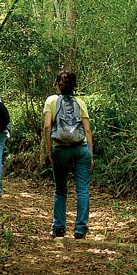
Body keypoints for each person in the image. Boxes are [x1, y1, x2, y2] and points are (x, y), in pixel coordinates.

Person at [43, 69, 93, 239]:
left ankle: (58, 228)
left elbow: (47, 127)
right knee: (83, 190)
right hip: (81, 148)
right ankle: (80, 229)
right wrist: (91, 154)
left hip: (60, 149)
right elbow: (87, 129)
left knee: (60, 190)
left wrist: (49, 150)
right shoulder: (80, 102)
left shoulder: (51, 101)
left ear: (58, 84)